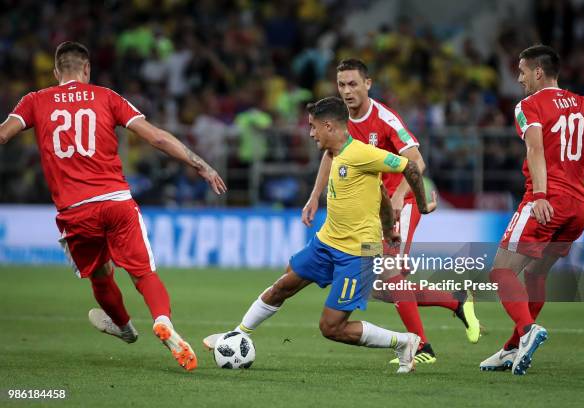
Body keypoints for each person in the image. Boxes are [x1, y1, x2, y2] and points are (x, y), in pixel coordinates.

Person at [0, 41, 227, 371]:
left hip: (75, 211)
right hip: (116, 201)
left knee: (100, 275)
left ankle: (124, 327)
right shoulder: (106, 97)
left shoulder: (35, 101)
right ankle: (163, 321)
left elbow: (4, 135)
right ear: (87, 70)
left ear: (55, 73)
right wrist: (199, 163)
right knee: (142, 272)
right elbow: (156, 137)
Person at [203, 96, 434, 373]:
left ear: (328, 126)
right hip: (327, 241)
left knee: (331, 327)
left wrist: (419, 206)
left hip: (359, 252)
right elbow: (381, 194)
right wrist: (387, 226)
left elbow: (409, 165)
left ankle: (404, 342)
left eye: (313, 127)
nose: (311, 133)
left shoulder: (361, 153)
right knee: (283, 285)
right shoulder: (335, 155)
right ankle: (238, 334)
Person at [301, 59, 480, 364]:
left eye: (353, 84)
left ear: (367, 84)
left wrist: (398, 196)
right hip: (375, 214)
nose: (347, 91)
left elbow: (417, 162)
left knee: (390, 273)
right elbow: (330, 156)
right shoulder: (339, 121)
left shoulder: (385, 119)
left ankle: (421, 346)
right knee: (381, 288)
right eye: (342, 85)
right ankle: (455, 300)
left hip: (401, 207)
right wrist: (315, 196)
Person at [480, 44, 584, 375]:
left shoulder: (529, 105)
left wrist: (539, 195)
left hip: (546, 202)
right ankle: (512, 348)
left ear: (538, 71)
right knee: (537, 274)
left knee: (501, 271)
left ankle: (527, 331)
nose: (519, 78)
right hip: (578, 208)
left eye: (522, 71)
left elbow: (535, 149)